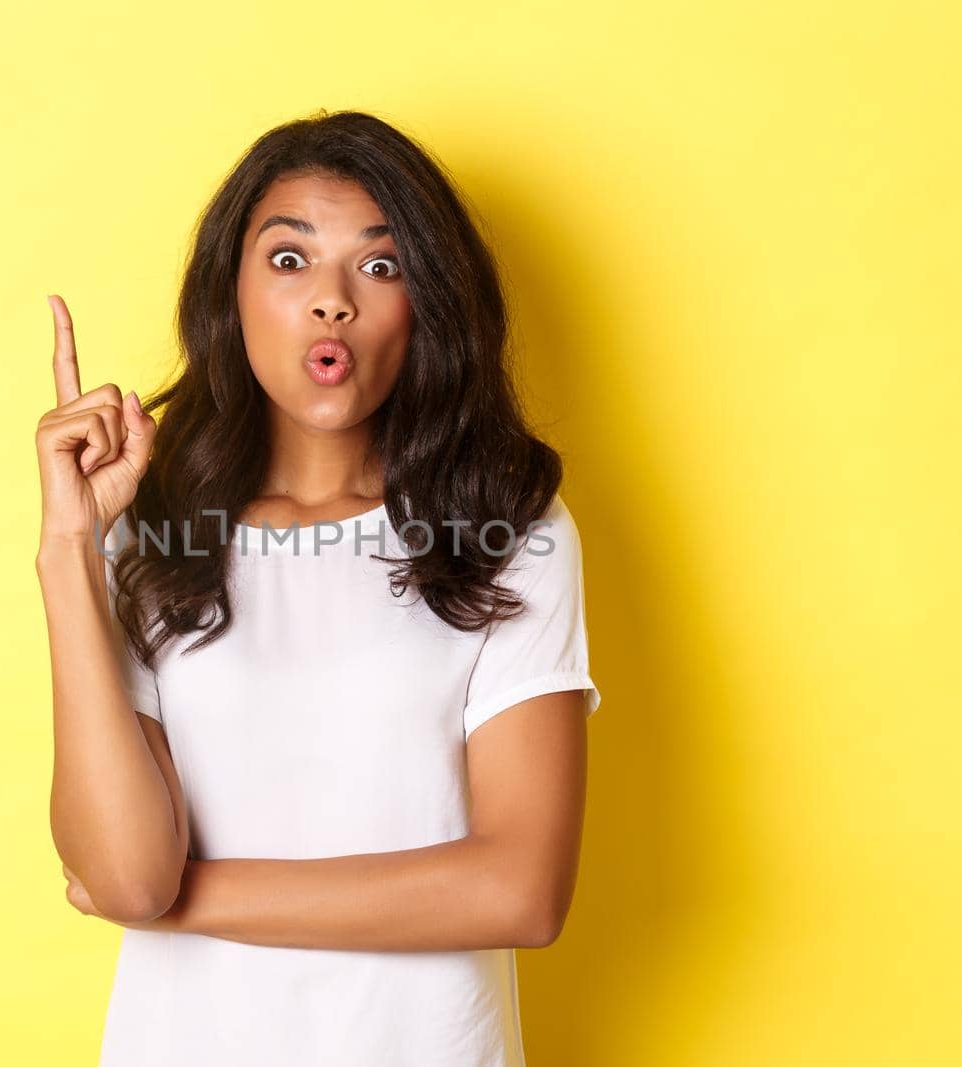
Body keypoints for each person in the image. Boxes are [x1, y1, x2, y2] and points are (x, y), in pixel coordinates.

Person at [33, 109, 602, 1067]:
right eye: (290, 260)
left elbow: (521, 890)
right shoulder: (151, 534)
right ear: (233, 292)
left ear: (428, 305)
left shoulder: (509, 528)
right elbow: (128, 876)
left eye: (379, 266)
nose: (331, 300)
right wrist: (68, 548)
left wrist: (193, 897)